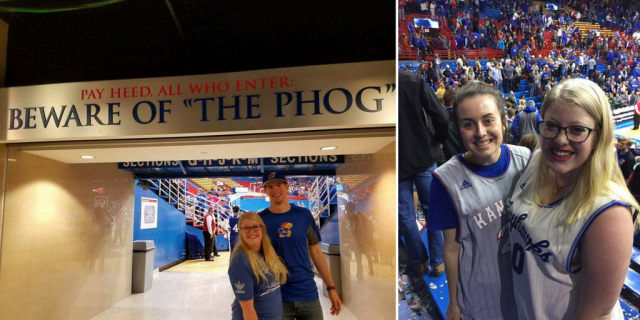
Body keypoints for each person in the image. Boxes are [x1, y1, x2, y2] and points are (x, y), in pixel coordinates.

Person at [508, 78, 640, 320]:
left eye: (577, 130)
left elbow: (595, 314)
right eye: (551, 126)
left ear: (599, 137)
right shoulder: (538, 160)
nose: (560, 139)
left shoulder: (609, 214)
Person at [429, 82, 530, 320]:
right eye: (468, 124)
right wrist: (454, 302)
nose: (480, 132)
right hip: (482, 292)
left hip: (528, 282)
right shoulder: (445, 180)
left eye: (488, 120)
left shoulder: (526, 160)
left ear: (503, 121)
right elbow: (452, 249)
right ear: (458, 130)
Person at [259, 172, 341, 319]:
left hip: (307, 291)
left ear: (287, 186)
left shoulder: (303, 215)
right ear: (265, 191)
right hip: (277, 294)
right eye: (270, 186)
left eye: (279, 185)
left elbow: (316, 252)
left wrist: (331, 287)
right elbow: (254, 258)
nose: (275, 190)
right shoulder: (260, 220)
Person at [399, 70, 449, 276]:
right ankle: (438, 262)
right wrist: (438, 139)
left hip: (397, 163)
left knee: (406, 216)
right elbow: (442, 116)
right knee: (433, 210)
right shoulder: (412, 80)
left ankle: (419, 261)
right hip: (423, 156)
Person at [229, 212, 288, 320]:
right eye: (246, 228)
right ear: (240, 231)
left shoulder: (267, 251)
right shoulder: (240, 260)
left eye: (255, 226)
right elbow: (247, 309)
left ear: (262, 229)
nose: (251, 231)